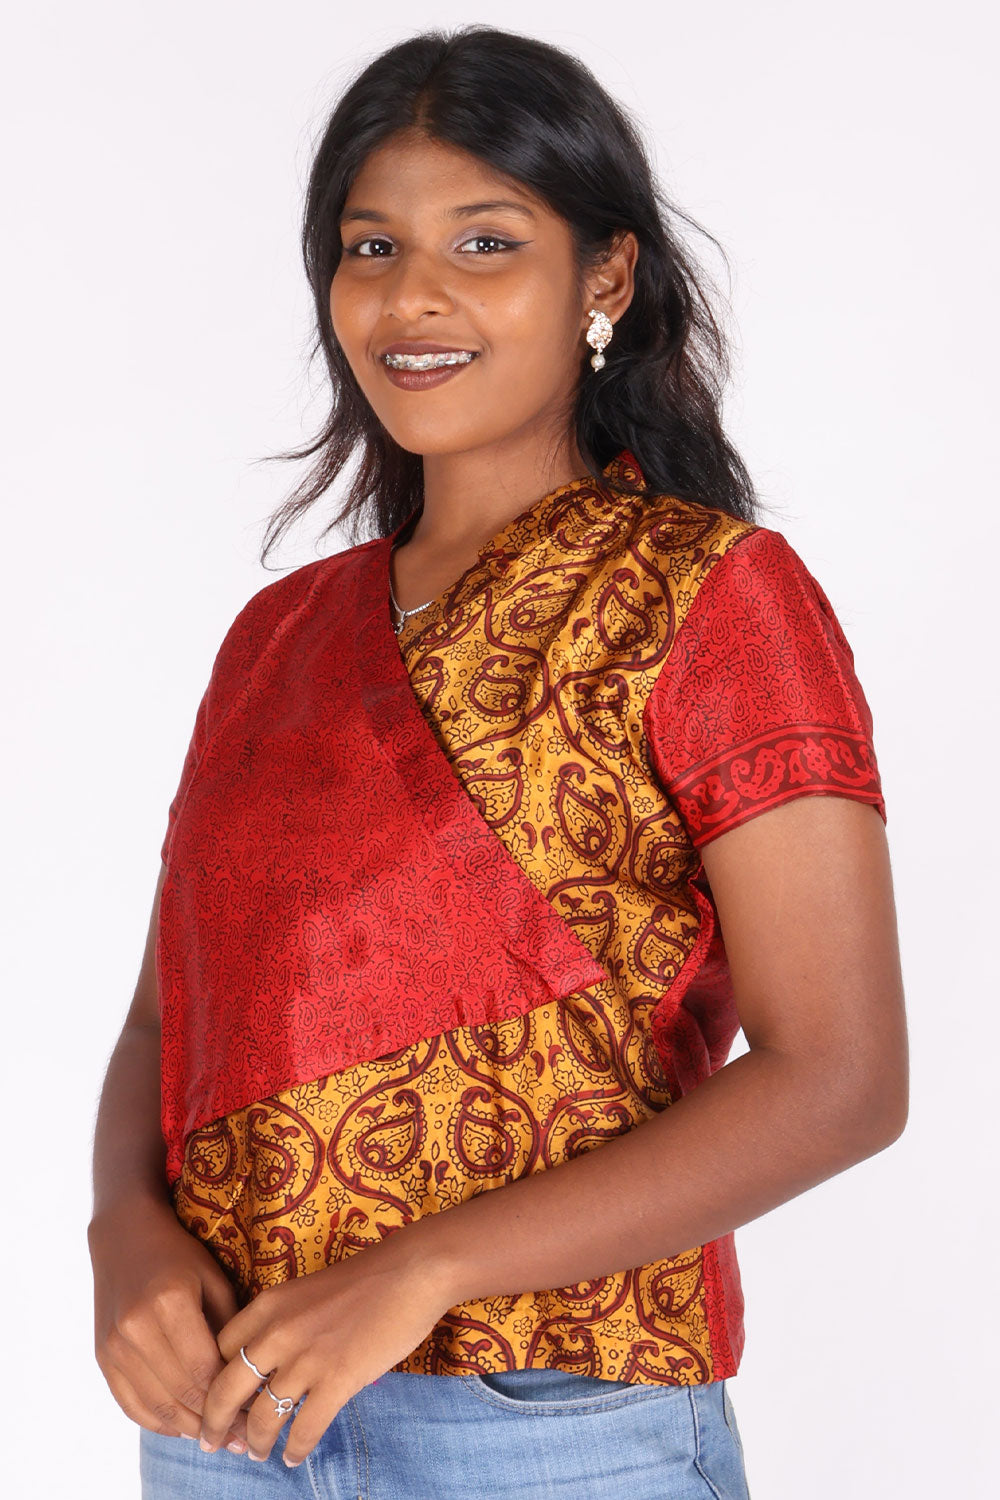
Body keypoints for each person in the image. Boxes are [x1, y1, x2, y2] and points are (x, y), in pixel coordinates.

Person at [88, 24, 908, 1500]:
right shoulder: (277, 637)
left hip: (553, 1428)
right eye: (370, 247)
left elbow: (841, 1078)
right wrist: (122, 1239)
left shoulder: (706, 595)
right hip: (227, 1427)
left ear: (607, 276)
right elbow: (169, 1020)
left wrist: (422, 1270)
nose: (412, 296)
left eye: (484, 242)